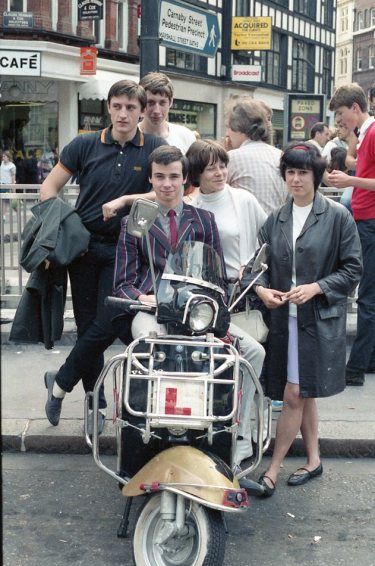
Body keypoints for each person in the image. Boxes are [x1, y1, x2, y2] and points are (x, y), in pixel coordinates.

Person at [41, 80, 166, 434]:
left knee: (107, 323)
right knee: (86, 327)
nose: (124, 113)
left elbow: (170, 188)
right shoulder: (84, 144)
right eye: (117, 106)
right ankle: (95, 405)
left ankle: (61, 379)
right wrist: (58, 228)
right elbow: (49, 187)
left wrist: (127, 201)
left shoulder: (155, 147)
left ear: (142, 111)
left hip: (127, 252)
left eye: (131, 107)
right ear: (108, 108)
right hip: (83, 249)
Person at [241, 142, 362, 496]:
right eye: (290, 172)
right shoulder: (276, 217)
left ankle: (272, 470)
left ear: (317, 175)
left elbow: (353, 268)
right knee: (302, 390)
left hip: (317, 319)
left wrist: (318, 287)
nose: (295, 179)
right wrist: (262, 290)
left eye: (303, 172)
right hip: (284, 321)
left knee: (293, 393)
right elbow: (256, 267)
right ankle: (313, 458)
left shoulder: (338, 216)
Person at [186, 139, 267, 464]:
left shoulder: (242, 199)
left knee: (249, 359)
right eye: (210, 168)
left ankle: (243, 435)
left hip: (241, 297)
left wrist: (256, 272)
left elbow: (268, 235)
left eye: (222, 164)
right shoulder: (191, 206)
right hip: (206, 303)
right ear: (196, 174)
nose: (219, 172)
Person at [113, 145, 224, 334]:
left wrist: (213, 307)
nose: (167, 184)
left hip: (195, 310)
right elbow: (123, 285)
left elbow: (217, 278)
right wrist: (142, 298)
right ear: (150, 178)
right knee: (152, 341)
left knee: (254, 351)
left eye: (173, 176)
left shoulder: (205, 220)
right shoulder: (134, 221)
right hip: (151, 310)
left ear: (184, 178)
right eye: (159, 176)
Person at [327, 83, 375, 386]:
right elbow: (357, 164)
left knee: (367, 297)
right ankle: (365, 361)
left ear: (355, 109)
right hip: (366, 218)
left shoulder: (372, 132)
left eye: (343, 114)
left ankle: (355, 368)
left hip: (369, 221)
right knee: (367, 293)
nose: (340, 120)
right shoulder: (366, 133)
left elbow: (361, 174)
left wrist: (349, 181)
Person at [225, 98, 288, 215]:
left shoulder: (232, 158)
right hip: (277, 228)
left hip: (247, 229)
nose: (226, 133)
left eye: (228, 127)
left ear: (239, 127)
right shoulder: (280, 155)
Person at [139, 72, 196, 153]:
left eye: (162, 103)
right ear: (142, 102)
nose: (156, 111)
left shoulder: (187, 136)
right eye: (150, 102)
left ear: (171, 102)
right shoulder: (130, 136)